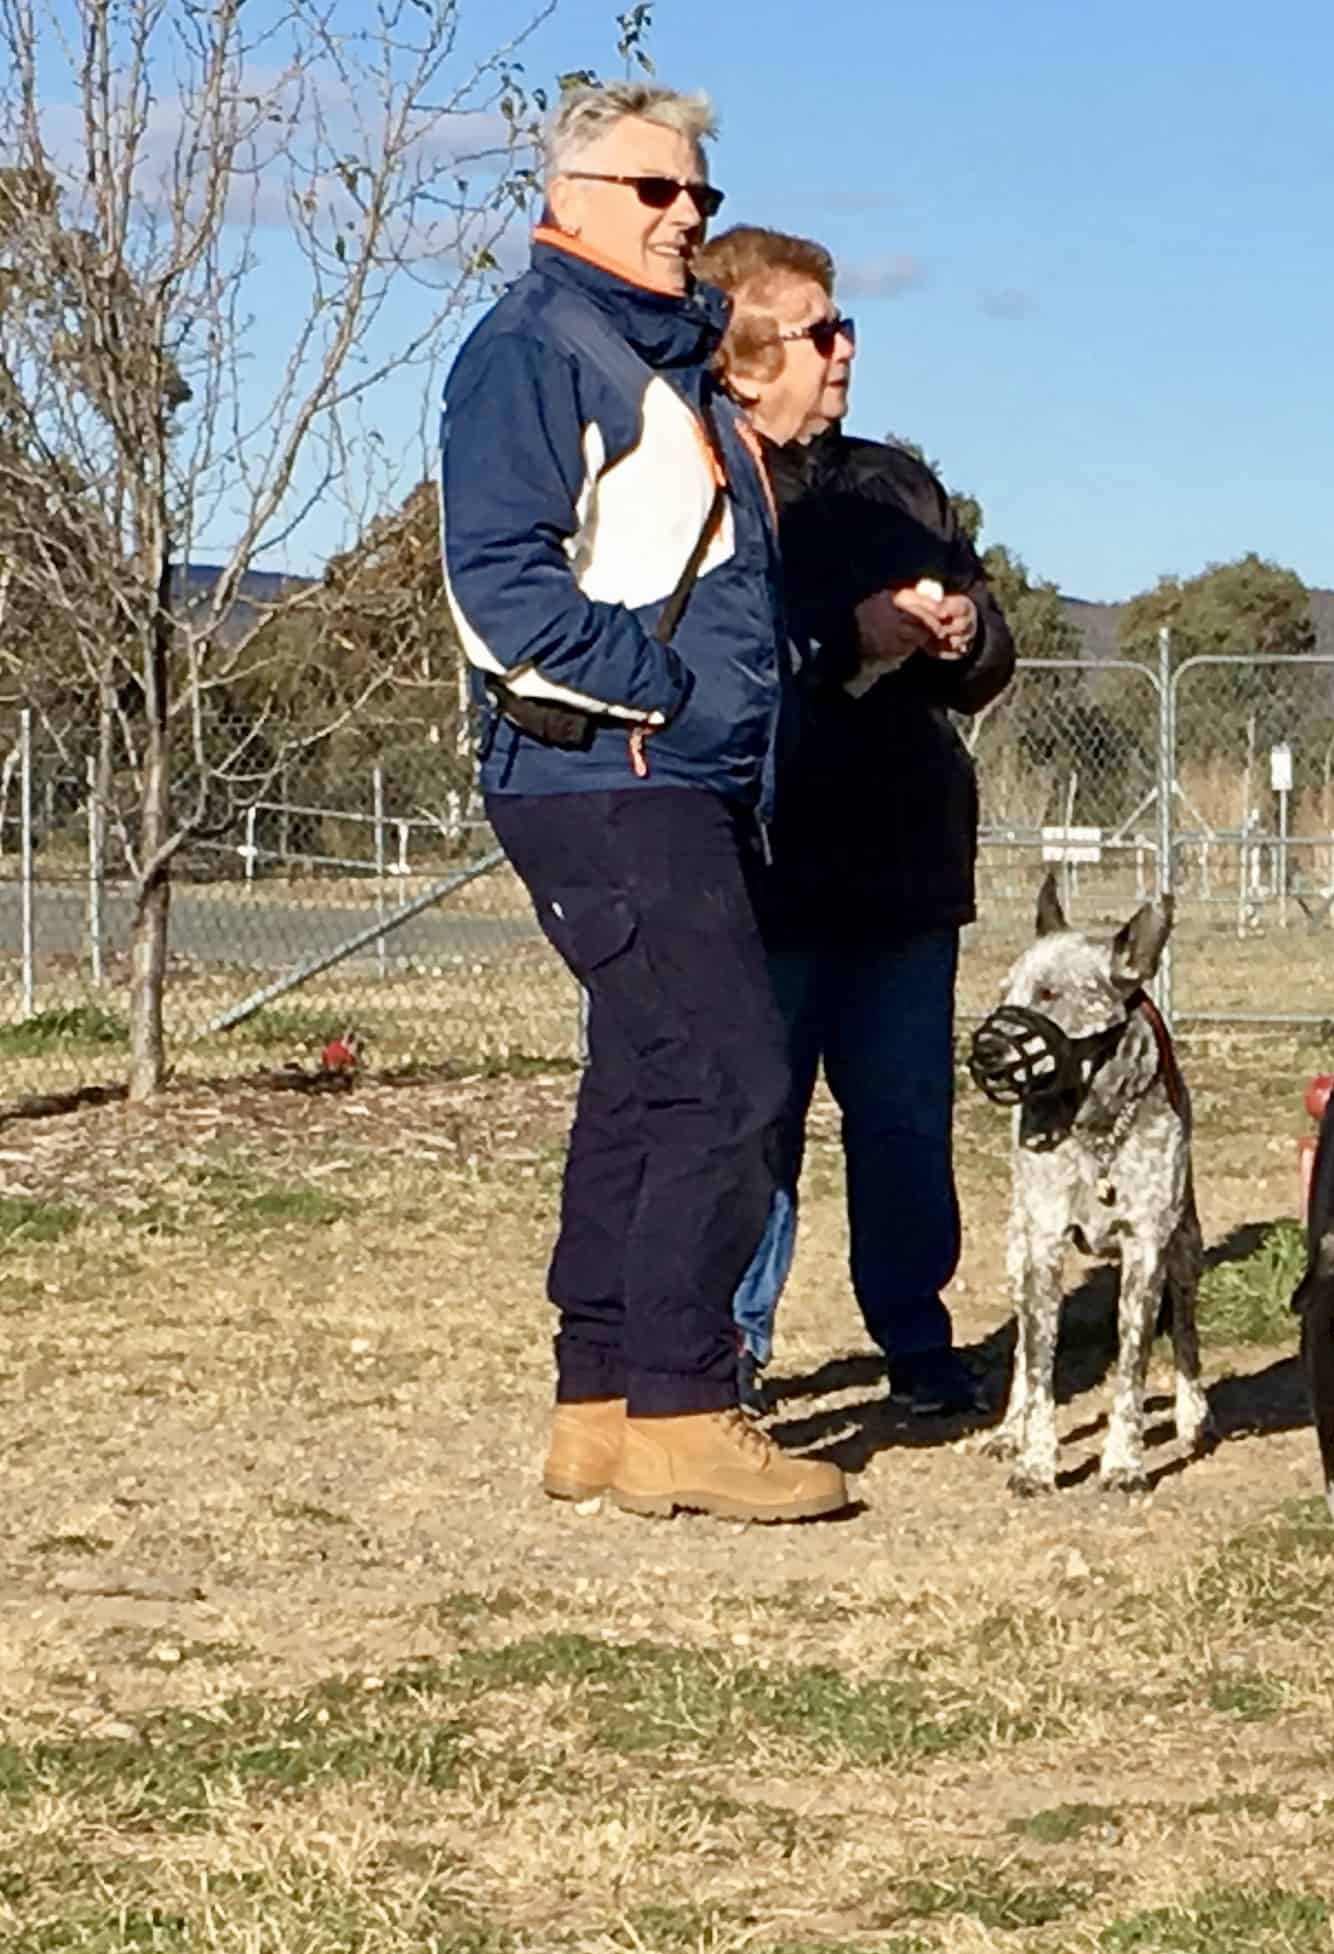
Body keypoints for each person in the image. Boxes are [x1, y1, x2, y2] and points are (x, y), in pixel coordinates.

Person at [439, 83, 849, 1522]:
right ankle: (683, 1404)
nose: (687, 217)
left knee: (639, 1080)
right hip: (611, 776)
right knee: (729, 1078)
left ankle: (601, 1404)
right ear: (571, 197)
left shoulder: (655, 356)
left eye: (700, 195)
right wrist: (659, 692)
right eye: (657, 190)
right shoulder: (535, 347)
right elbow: (500, 584)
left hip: (671, 779)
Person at [693, 229, 1010, 1420]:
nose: (845, 351)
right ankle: (730, 1344)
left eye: (848, 327)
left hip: (904, 870)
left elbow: (991, 649)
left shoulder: (900, 485)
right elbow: (724, 659)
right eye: (820, 330)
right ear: (740, 351)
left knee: (906, 1123)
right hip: (767, 873)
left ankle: (916, 1334)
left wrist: (964, 636)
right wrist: (847, 641)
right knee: (753, 1125)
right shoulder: (711, 483)